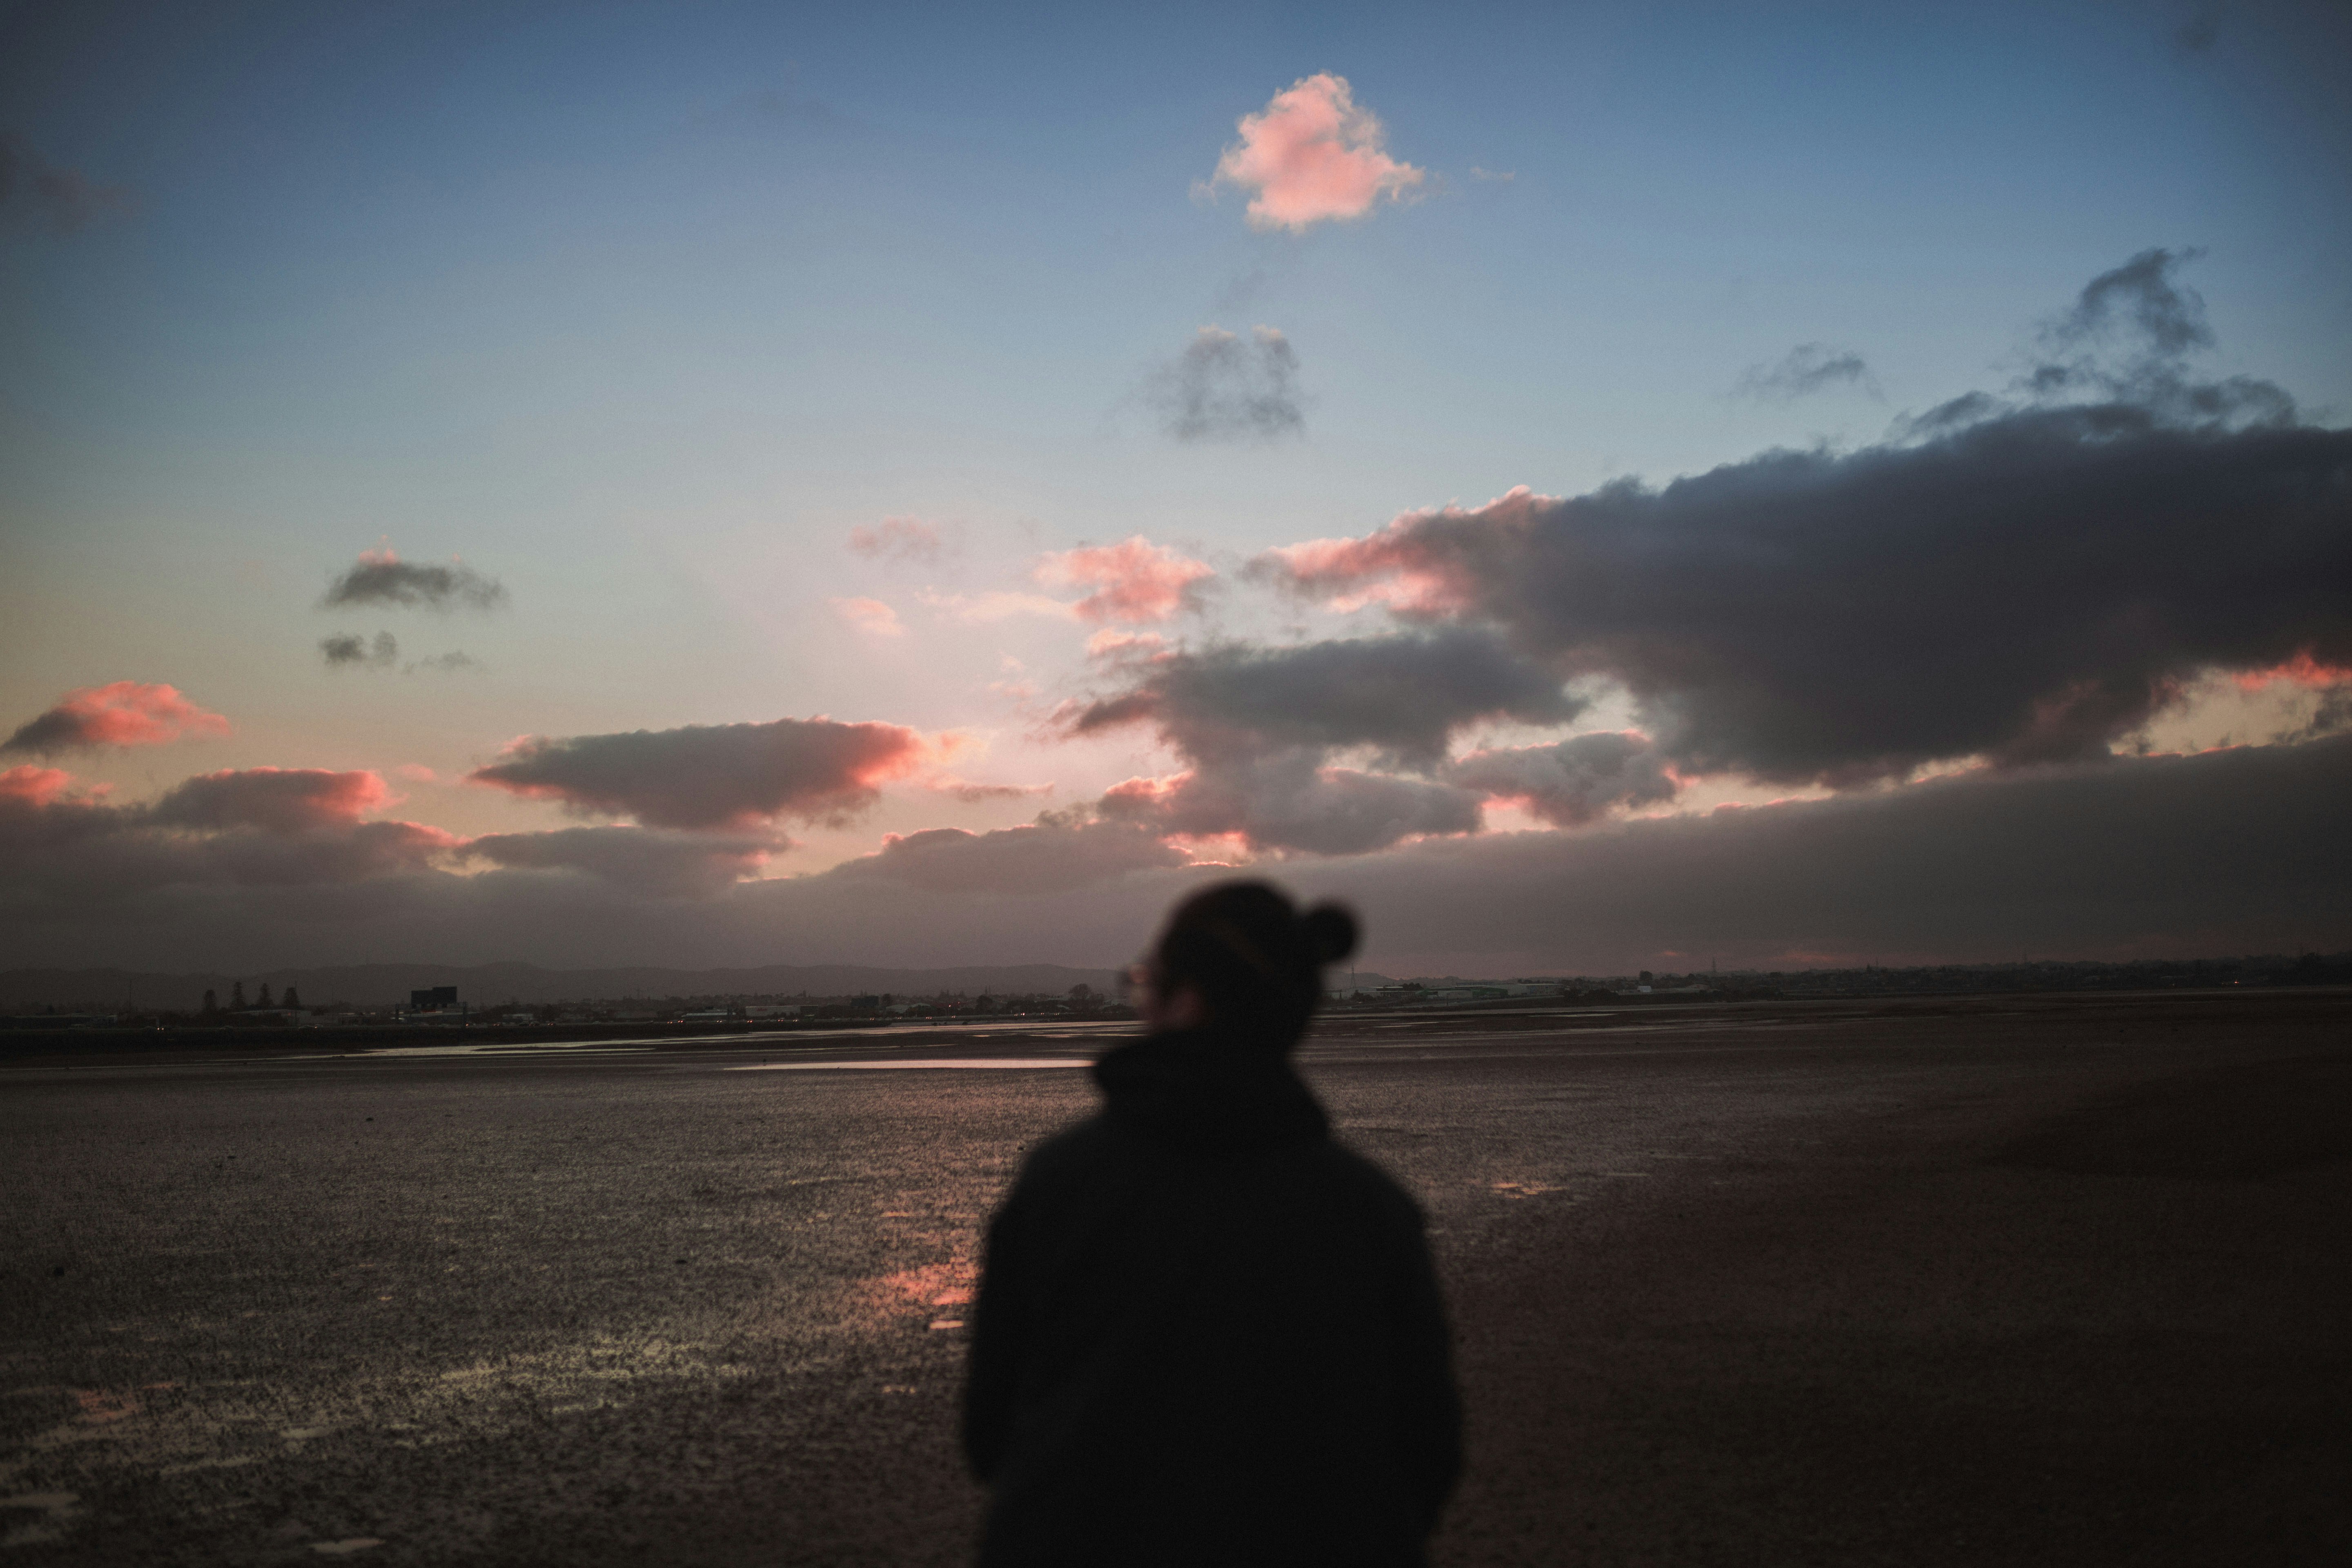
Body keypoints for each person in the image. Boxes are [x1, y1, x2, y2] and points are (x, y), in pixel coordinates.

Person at [962, 881, 1462, 1567]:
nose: (1142, 1000)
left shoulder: (1060, 1182)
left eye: (1149, 981)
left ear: (1189, 997)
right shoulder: (1370, 1208)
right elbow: (1430, 1448)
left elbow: (989, 1433)